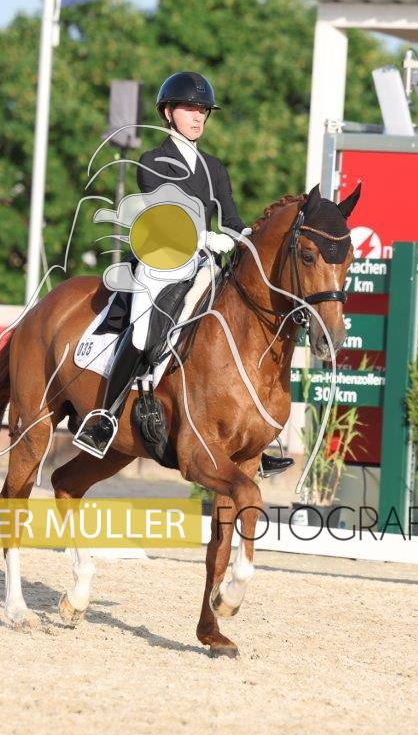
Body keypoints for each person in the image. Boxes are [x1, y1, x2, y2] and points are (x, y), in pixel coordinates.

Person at [74, 71, 294, 477]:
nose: (198, 117)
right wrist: (204, 237)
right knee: (143, 332)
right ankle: (104, 417)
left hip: (205, 267)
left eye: (203, 111)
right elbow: (163, 216)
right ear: (168, 113)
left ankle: (253, 437)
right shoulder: (152, 161)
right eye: (190, 109)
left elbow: (231, 219)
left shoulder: (214, 167)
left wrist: (248, 238)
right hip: (161, 264)